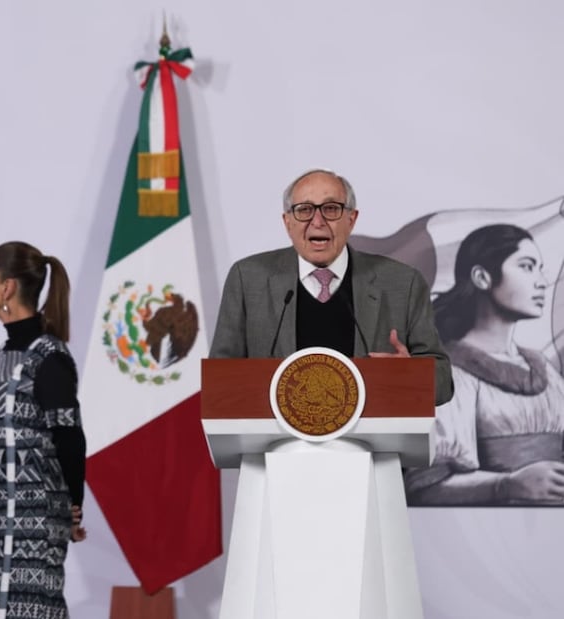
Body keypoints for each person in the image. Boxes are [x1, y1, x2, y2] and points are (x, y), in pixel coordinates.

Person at [209, 168, 454, 405]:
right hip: (277, 444)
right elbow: (219, 381)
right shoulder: (248, 278)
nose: (317, 221)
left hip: (371, 444)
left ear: (351, 219)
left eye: (331, 209)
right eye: (304, 210)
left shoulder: (402, 283)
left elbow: (444, 385)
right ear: (287, 222)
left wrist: (411, 377)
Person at [0, 241, 87, 619]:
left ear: (8, 288)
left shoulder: (48, 356)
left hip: (33, 525)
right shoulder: (5, 354)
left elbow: (69, 436)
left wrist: (74, 507)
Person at [405, 224, 564, 505]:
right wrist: (508, 485)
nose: (541, 282)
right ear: (482, 277)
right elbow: (425, 486)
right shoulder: (446, 372)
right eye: (527, 267)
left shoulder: (546, 371)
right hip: (483, 532)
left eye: (540, 269)